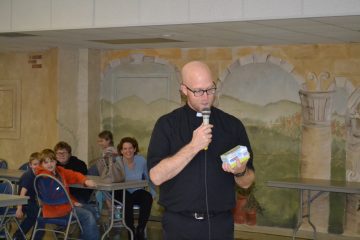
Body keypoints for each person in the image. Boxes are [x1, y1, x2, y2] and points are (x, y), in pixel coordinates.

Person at [147, 61, 255, 240]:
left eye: (210, 89)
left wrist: (240, 171)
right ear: (184, 90)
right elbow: (156, 176)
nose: (205, 97)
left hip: (220, 224)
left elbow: (247, 182)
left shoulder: (232, 125)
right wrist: (193, 146)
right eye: (198, 91)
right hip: (179, 224)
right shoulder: (167, 124)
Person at [36, 149, 100, 240]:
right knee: (87, 215)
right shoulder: (44, 177)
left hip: (66, 205)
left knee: (92, 210)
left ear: (55, 161)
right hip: (55, 209)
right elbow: (53, 196)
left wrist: (85, 181)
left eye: (52, 161)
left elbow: (74, 175)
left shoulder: (59, 171)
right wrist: (72, 202)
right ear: (41, 164)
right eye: (46, 163)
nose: (49, 164)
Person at [114, 137, 155, 240]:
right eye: (125, 149)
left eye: (130, 148)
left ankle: (140, 229)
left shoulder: (141, 160)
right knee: (127, 199)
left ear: (135, 149)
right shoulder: (117, 161)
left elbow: (148, 177)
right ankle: (130, 230)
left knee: (147, 197)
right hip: (121, 191)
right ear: (121, 151)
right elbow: (113, 180)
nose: (128, 151)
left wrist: (153, 192)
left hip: (136, 190)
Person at [13, 152, 44, 240]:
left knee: (35, 216)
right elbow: (21, 194)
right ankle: (18, 236)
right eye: (35, 164)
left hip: (31, 202)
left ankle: (18, 236)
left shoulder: (38, 175)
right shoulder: (28, 177)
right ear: (30, 165)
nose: (37, 166)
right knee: (39, 217)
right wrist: (19, 209)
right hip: (23, 202)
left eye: (40, 164)